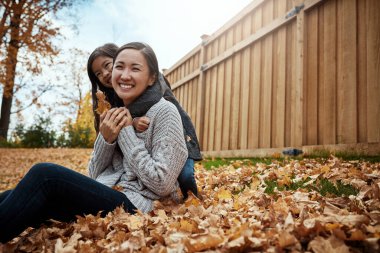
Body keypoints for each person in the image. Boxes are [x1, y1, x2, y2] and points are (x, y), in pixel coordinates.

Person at [0, 42, 188, 243]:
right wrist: (106, 140)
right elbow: (95, 175)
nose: (124, 75)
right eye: (119, 67)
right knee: (17, 195)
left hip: (139, 208)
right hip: (112, 195)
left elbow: (162, 184)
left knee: (45, 176)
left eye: (135, 68)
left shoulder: (164, 111)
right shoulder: (115, 112)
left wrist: (126, 133)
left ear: (151, 78)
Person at [87, 43, 202, 199]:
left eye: (108, 65)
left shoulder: (156, 96)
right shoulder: (111, 99)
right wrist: (107, 136)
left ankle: (192, 200)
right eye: (98, 73)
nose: (105, 74)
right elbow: (96, 171)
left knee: (186, 175)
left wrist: (130, 123)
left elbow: (147, 104)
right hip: (126, 186)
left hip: (178, 137)